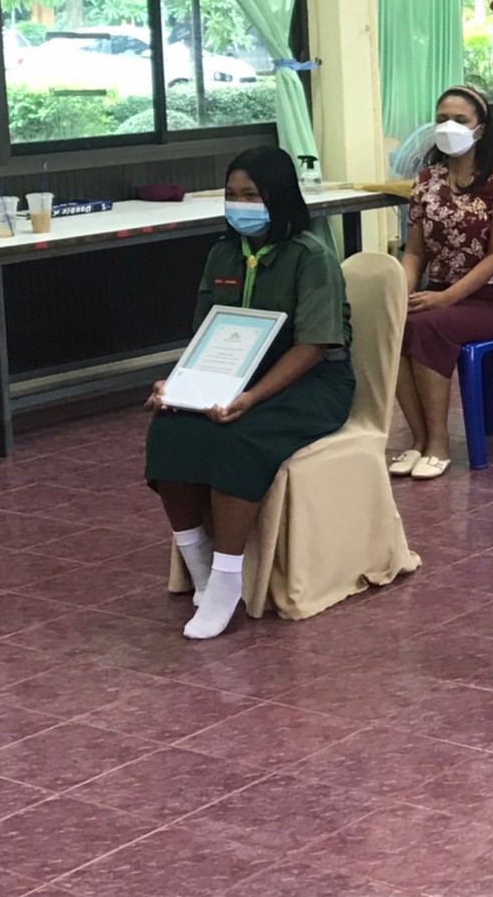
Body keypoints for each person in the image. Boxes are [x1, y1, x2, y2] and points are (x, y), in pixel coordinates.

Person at [145, 146, 354, 640]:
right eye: (232, 195)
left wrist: (252, 397)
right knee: (169, 428)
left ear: (278, 197)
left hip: (310, 384)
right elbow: (205, 335)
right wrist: (177, 383)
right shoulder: (222, 253)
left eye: (252, 195)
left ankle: (226, 580)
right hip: (232, 377)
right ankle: (198, 562)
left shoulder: (311, 256)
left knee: (237, 438)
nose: (240, 205)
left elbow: (314, 346)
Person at [389, 85, 493, 480]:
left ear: (480, 128)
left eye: (460, 120)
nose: (449, 126)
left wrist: (446, 298)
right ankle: (418, 438)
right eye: (442, 119)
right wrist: (400, 292)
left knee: (428, 325)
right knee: (392, 325)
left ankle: (439, 442)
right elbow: (415, 252)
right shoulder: (426, 181)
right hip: (438, 293)